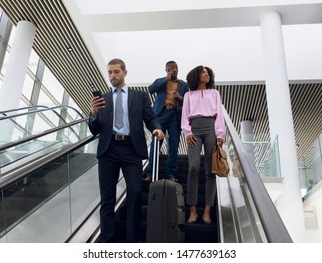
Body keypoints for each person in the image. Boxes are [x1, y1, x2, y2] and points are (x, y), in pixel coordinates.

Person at [88, 58, 165, 243]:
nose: (112, 75)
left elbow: (150, 118)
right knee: (107, 196)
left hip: (131, 149)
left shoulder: (140, 96)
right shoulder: (102, 99)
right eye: (109, 72)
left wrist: (157, 128)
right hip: (108, 149)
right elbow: (94, 129)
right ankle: (107, 240)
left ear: (125, 72)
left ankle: (133, 240)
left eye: (116, 71)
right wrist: (93, 114)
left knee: (136, 192)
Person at [181, 65, 226, 224]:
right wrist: (188, 132)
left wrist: (220, 133)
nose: (206, 74)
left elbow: (219, 115)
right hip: (194, 128)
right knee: (193, 166)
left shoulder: (214, 93)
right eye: (203, 72)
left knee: (210, 170)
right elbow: (185, 116)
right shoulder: (188, 95)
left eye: (208, 73)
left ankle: (207, 210)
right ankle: (192, 210)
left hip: (211, 128)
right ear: (196, 75)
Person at [143, 61, 189, 182]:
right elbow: (151, 90)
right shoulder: (160, 81)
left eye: (176, 68)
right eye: (171, 69)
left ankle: (170, 174)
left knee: (174, 145)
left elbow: (188, 102)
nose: (174, 70)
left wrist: (180, 97)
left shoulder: (183, 85)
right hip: (160, 115)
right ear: (167, 70)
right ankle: (150, 173)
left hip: (175, 115)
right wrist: (165, 79)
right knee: (155, 144)